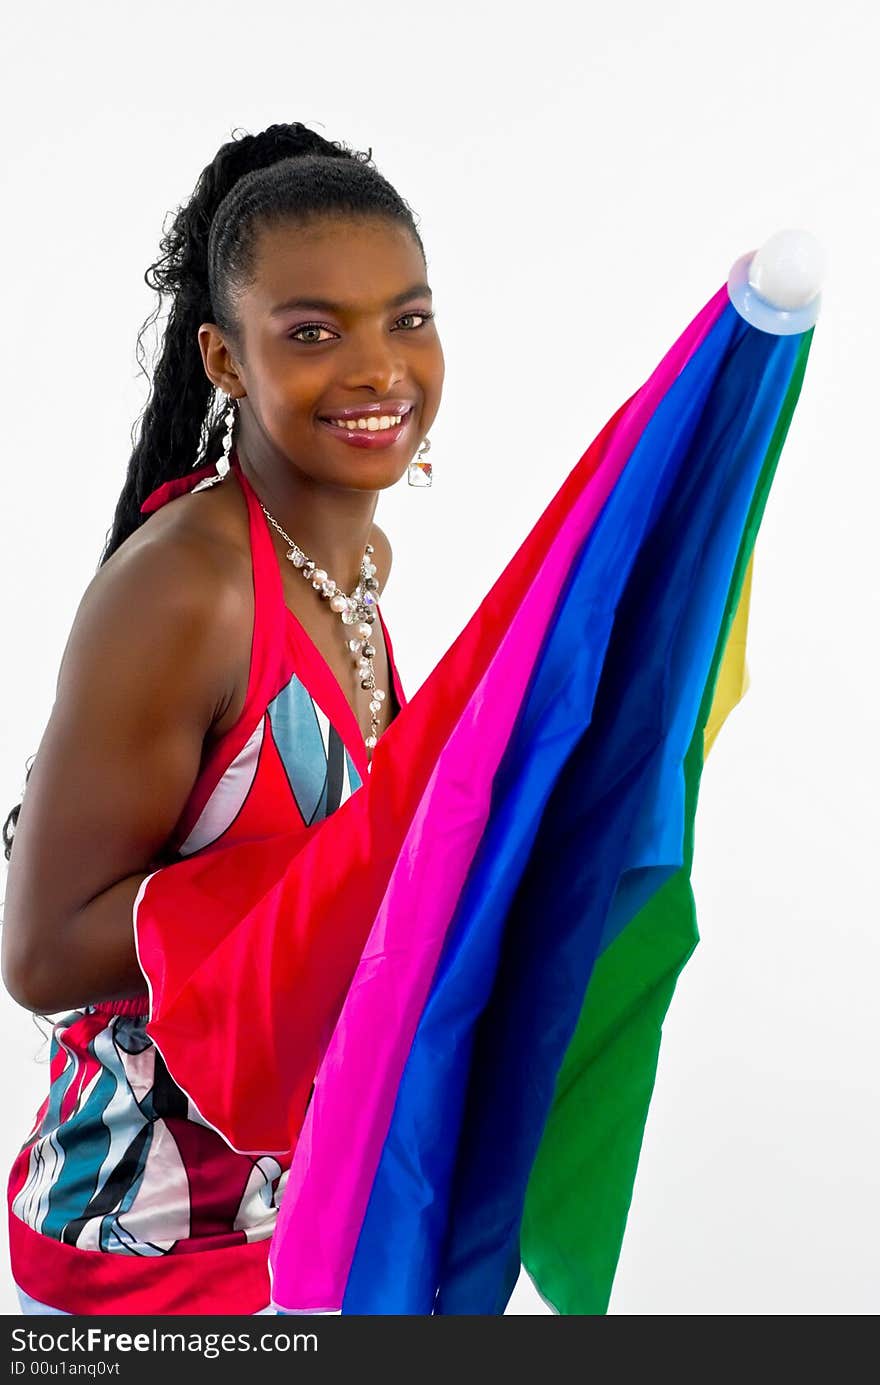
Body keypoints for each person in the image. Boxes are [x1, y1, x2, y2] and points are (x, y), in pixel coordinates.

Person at [1, 120, 444, 1315]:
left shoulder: (356, 564)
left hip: (306, 1238)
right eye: (313, 332)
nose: (379, 369)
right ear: (226, 358)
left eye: (408, 316)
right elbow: (38, 952)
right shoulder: (186, 586)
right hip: (141, 1261)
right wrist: (355, 874)